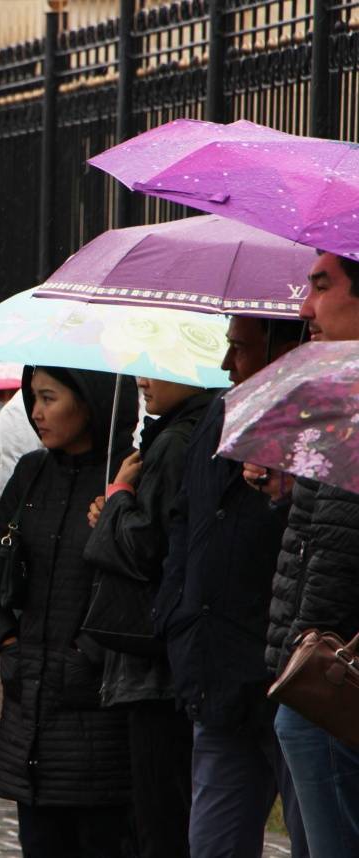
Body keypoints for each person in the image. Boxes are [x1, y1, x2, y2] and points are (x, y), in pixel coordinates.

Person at [0, 367, 137, 858]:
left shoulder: (127, 476)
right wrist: (7, 642)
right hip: (30, 707)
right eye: (31, 397)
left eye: (48, 397)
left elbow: (142, 584)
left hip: (98, 713)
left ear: (90, 401)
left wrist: (89, 655)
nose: (35, 412)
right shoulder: (33, 471)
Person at [155, 316, 309, 858]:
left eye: (239, 349)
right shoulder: (220, 413)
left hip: (290, 674)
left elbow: (327, 537)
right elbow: (185, 519)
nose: (226, 364)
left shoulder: (324, 417)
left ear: (285, 348)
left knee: (315, 836)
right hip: (214, 667)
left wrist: (282, 490)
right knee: (212, 844)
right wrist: (175, 610)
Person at [83, 375, 216, 858]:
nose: (142, 377)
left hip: (155, 656)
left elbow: (144, 545)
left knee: (160, 819)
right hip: (171, 652)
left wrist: (118, 496)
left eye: (158, 363)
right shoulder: (188, 431)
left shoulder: (177, 440)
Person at [260, 251, 359, 857]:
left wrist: (305, 663)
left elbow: (339, 554)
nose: (304, 307)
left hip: (333, 685)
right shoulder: (338, 400)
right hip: (314, 684)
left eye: (322, 286)